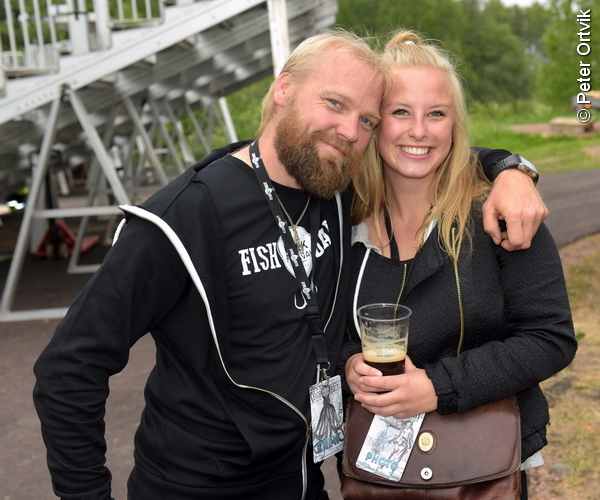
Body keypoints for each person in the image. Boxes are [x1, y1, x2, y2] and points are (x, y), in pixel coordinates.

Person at [33, 29, 546, 500]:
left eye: (366, 119)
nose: (349, 130)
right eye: (333, 103)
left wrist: (510, 169)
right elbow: (69, 368)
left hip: (302, 480)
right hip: (197, 485)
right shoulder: (186, 214)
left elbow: (424, 146)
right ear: (283, 89)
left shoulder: (333, 188)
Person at [342, 30, 577, 499]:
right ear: (373, 122)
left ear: (455, 124)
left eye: (437, 114)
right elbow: (312, 329)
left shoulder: (500, 215)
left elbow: (550, 338)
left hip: (483, 472)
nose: (419, 131)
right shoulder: (339, 221)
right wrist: (346, 364)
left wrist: (438, 386)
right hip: (377, 478)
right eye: (400, 112)